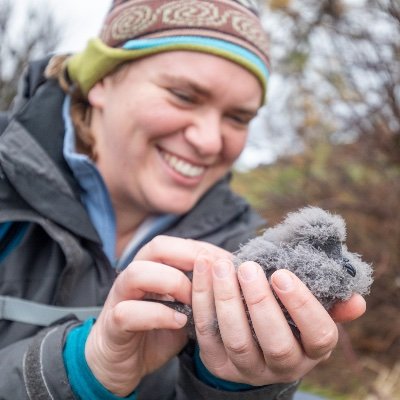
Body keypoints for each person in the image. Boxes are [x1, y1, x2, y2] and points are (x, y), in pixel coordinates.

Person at [0, 1, 366, 399]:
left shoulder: (239, 242)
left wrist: (238, 385)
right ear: (101, 82)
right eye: (183, 95)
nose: (209, 141)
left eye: (238, 118)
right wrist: (78, 368)